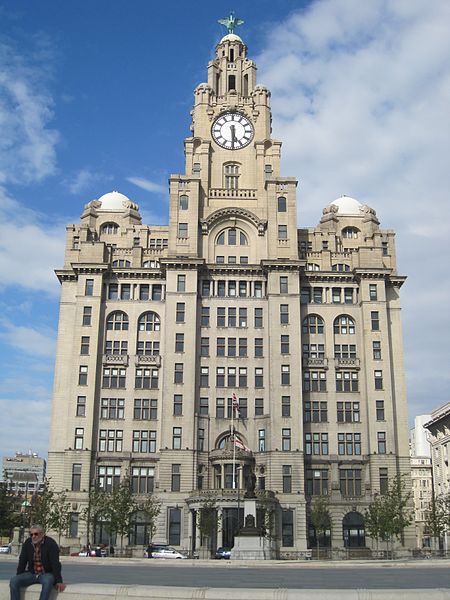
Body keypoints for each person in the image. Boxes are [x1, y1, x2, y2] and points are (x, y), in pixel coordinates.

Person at [10, 524, 66, 600]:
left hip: (46, 573)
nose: (33, 536)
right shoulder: (28, 543)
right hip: (32, 573)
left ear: (42, 534)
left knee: (47, 581)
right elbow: (22, 561)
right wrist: (19, 576)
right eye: (31, 534)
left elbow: (55, 563)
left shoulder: (51, 543)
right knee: (14, 581)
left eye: (36, 534)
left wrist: (59, 581)